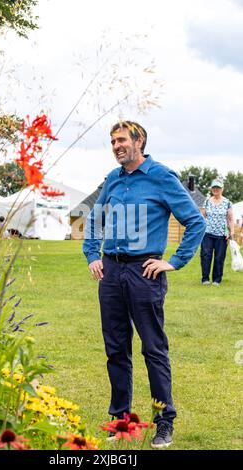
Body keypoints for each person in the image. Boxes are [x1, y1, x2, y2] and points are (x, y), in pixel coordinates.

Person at [83, 121, 206, 449]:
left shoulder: (162, 177)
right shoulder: (112, 179)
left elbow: (195, 221)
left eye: (121, 140)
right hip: (110, 273)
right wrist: (92, 253)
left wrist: (173, 261)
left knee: (153, 349)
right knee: (115, 349)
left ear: (139, 141)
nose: (116, 146)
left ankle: (164, 422)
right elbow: (94, 218)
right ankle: (120, 419)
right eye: (112, 141)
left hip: (144, 273)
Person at [200, 179, 234, 286]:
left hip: (221, 235)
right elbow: (202, 217)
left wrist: (231, 232)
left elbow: (230, 219)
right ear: (211, 189)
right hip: (207, 233)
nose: (216, 189)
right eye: (214, 187)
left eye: (218, 188)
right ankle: (205, 279)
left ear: (222, 189)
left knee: (219, 257)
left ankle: (216, 280)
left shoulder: (227, 202)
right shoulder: (207, 201)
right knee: (205, 255)